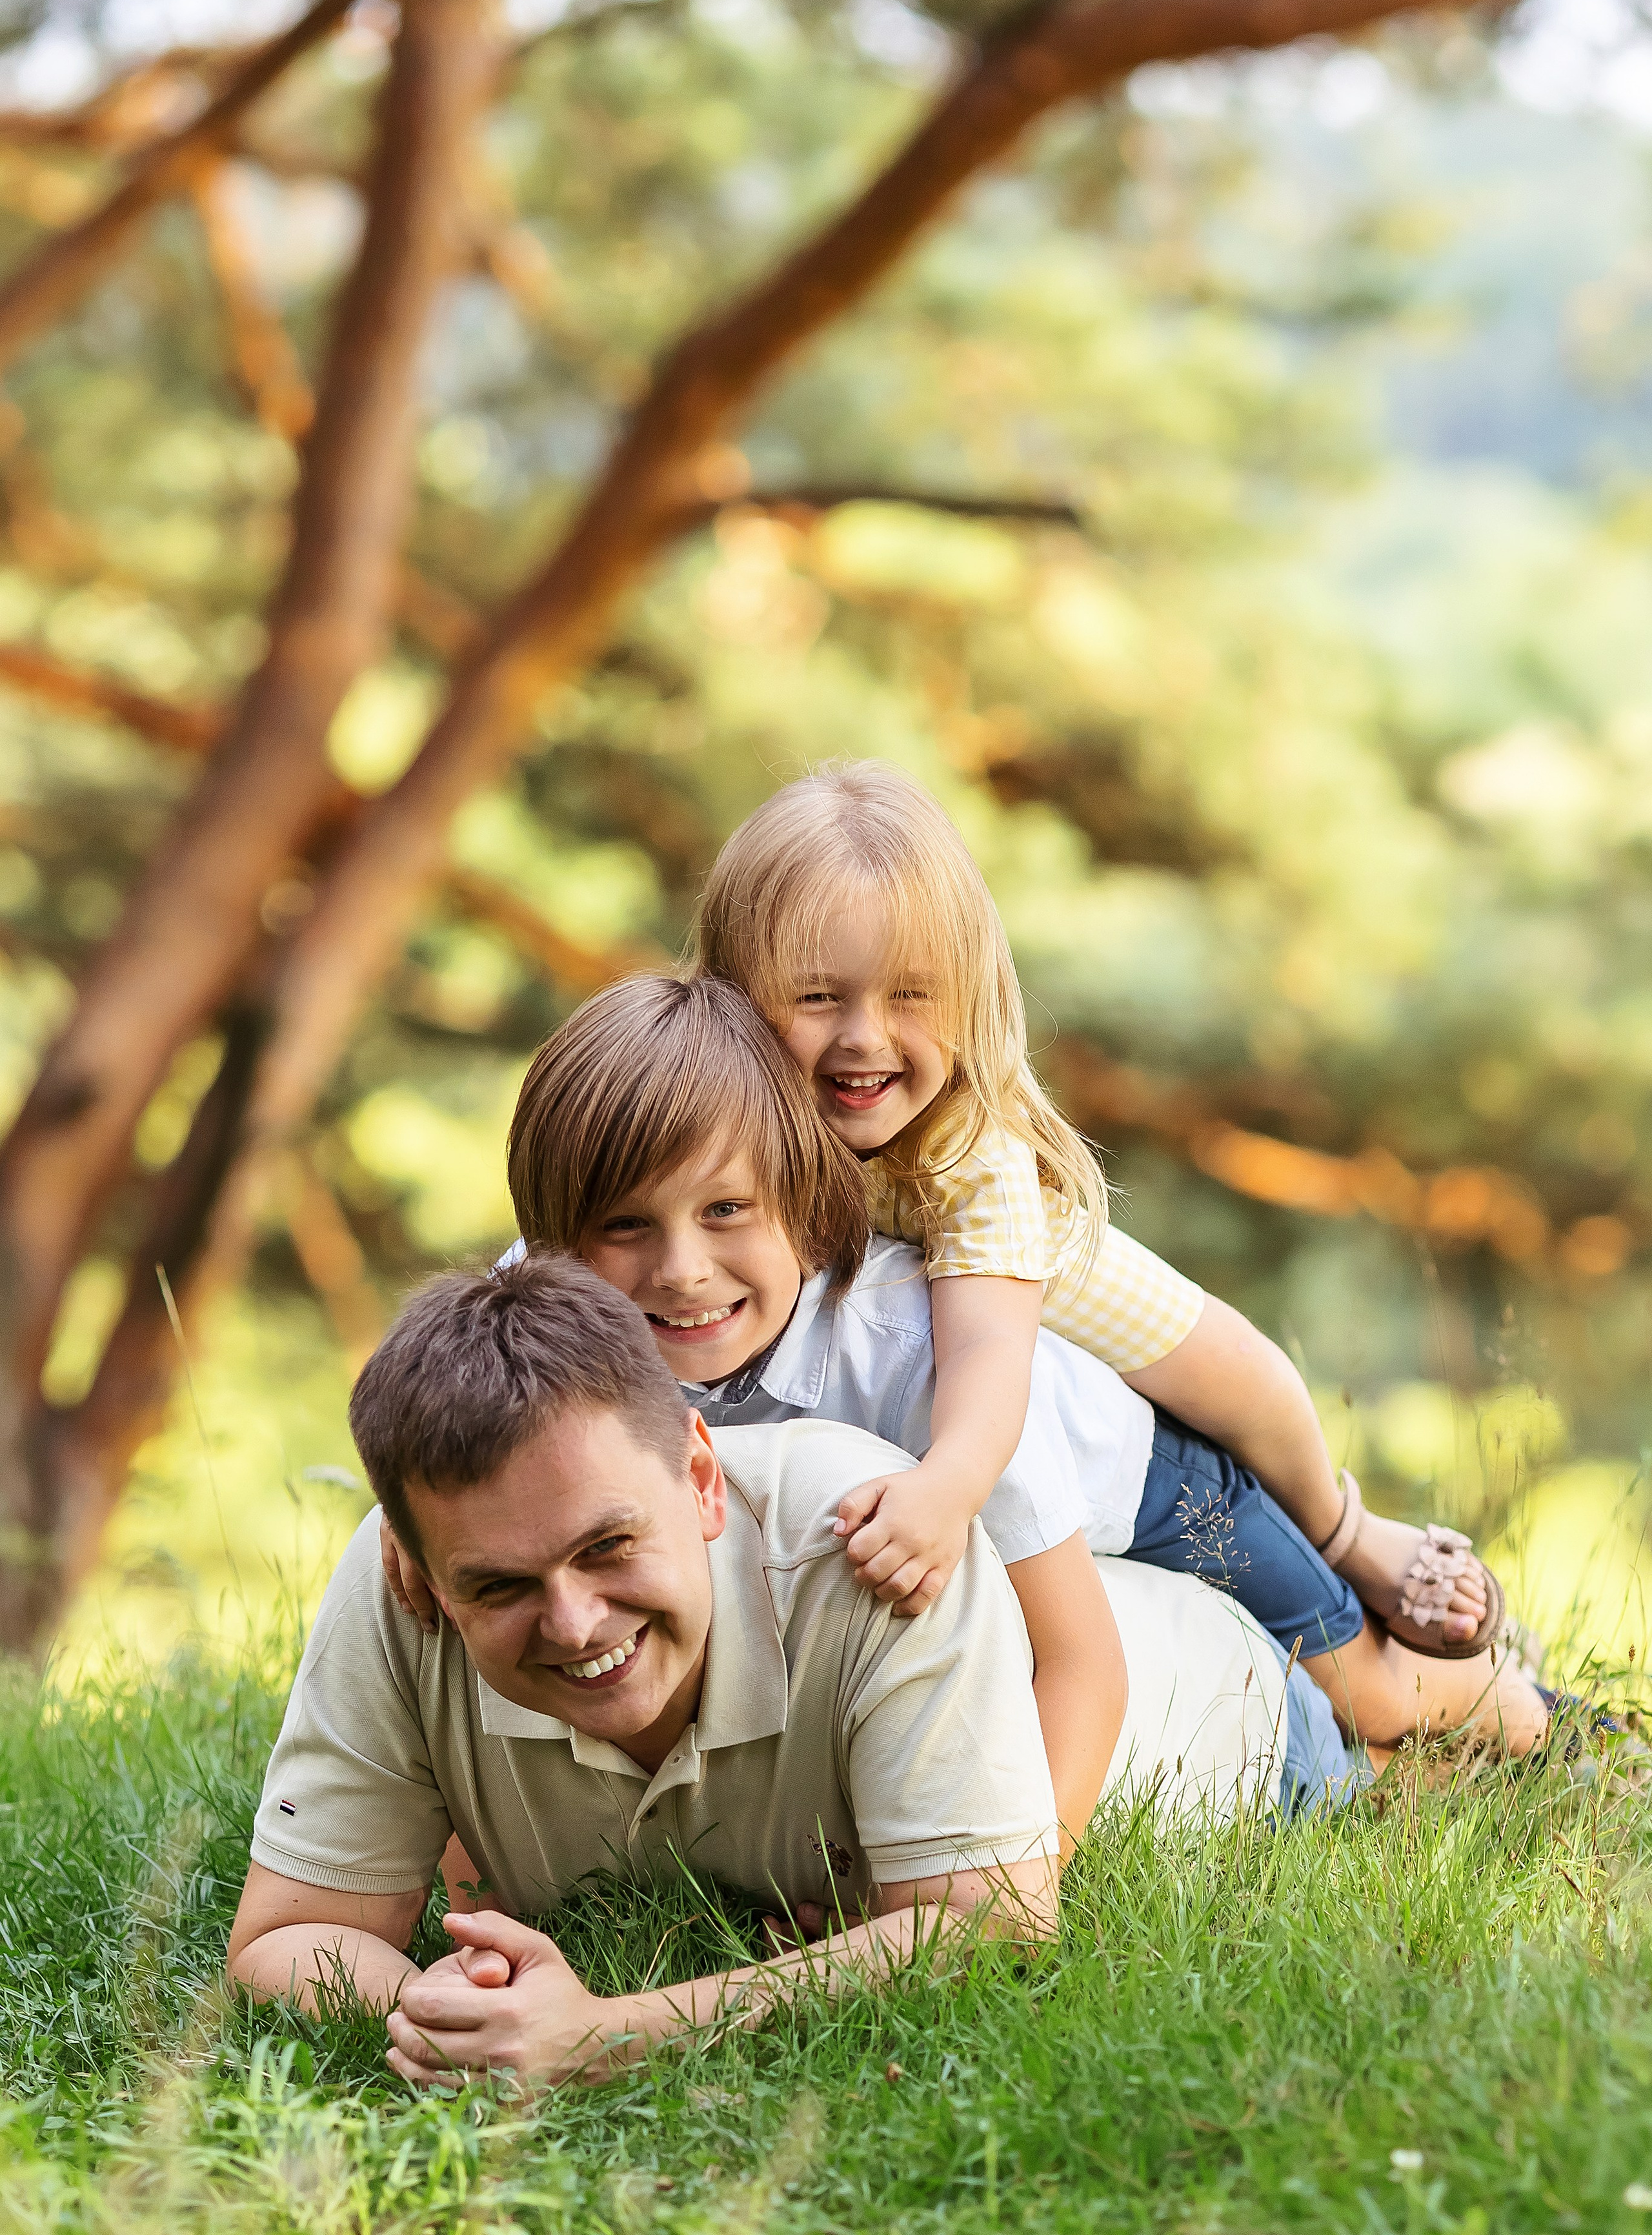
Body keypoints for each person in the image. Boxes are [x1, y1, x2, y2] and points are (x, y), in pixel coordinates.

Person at [461, 973, 1550, 1803]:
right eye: (623, 1229)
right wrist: (410, 1543)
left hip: (1155, 1490)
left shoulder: (910, 1333)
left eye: (724, 1215)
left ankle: (1504, 1701)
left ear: (799, 1196)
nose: (682, 1272)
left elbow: (1081, 1655)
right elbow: (463, 1397)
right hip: (1010, 1512)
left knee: (1361, 1687)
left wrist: (1024, 1877)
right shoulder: (570, 1304)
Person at [691, 760, 1506, 1658]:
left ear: (971, 992)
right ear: (731, 991)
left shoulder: (967, 1157)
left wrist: (949, 1488)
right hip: (1029, 1394)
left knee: (1253, 1384)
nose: (865, 1036)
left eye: (910, 995)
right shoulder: (725, 1129)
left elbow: (989, 1352)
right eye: (816, 997)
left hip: (1087, 1317)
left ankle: (1351, 1532)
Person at [228, 1256, 1065, 2091]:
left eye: (607, 1547)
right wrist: (455, 2021)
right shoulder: (395, 1587)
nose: (575, 1622)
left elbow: (994, 1923)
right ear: (423, 1571)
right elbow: (281, 1940)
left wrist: (607, 2036)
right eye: (499, 1586)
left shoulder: (877, 1546)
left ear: (701, 1483)